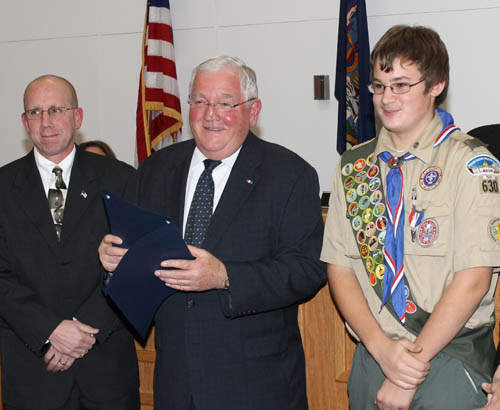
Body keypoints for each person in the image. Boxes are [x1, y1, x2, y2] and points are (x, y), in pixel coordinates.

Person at [99, 56, 326, 410]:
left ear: (253, 110)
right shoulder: (154, 170)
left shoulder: (290, 175)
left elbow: (307, 269)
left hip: (257, 384)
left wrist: (225, 276)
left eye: (225, 103)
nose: (210, 114)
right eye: (200, 101)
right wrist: (115, 262)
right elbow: (136, 263)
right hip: (176, 382)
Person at [321, 25, 500, 410]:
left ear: (436, 84)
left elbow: (474, 280)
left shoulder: (470, 163)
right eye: (379, 86)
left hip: (449, 357)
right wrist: (382, 351)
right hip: (373, 355)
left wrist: (409, 369)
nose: (387, 98)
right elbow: (340, 269)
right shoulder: (354, 167)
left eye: (401, 85)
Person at [0, 75, 139, 409]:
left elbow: (135, 266)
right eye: (35, 112)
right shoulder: (3, 186)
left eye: (56, 110)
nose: (46, 122)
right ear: (24, 122)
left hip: (106, 370)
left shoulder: (121, 178)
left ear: (77, 117)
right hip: (33, 371)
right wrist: (50, 330)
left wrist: (80, 330)